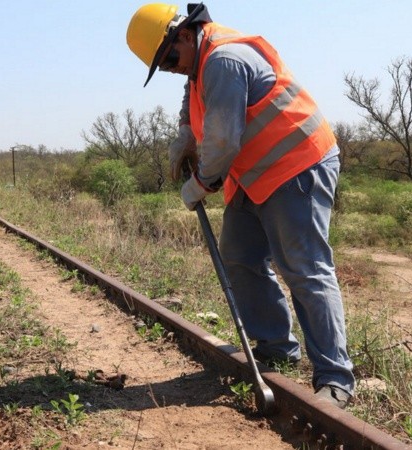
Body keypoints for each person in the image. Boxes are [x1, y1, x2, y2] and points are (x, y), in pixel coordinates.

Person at [126, 3, 355, 408]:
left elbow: (223, 140)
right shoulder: (201, 59)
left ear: (182, 34)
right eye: (162, 66)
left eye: (170, 58)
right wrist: (184, 131)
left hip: (296, 163)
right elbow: (191, 93)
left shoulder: (224, 59)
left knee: (303, 268)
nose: (172, 68)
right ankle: (275, 347)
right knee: (239, 255)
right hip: (255, 171)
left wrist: (200, 184)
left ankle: (335, 378)